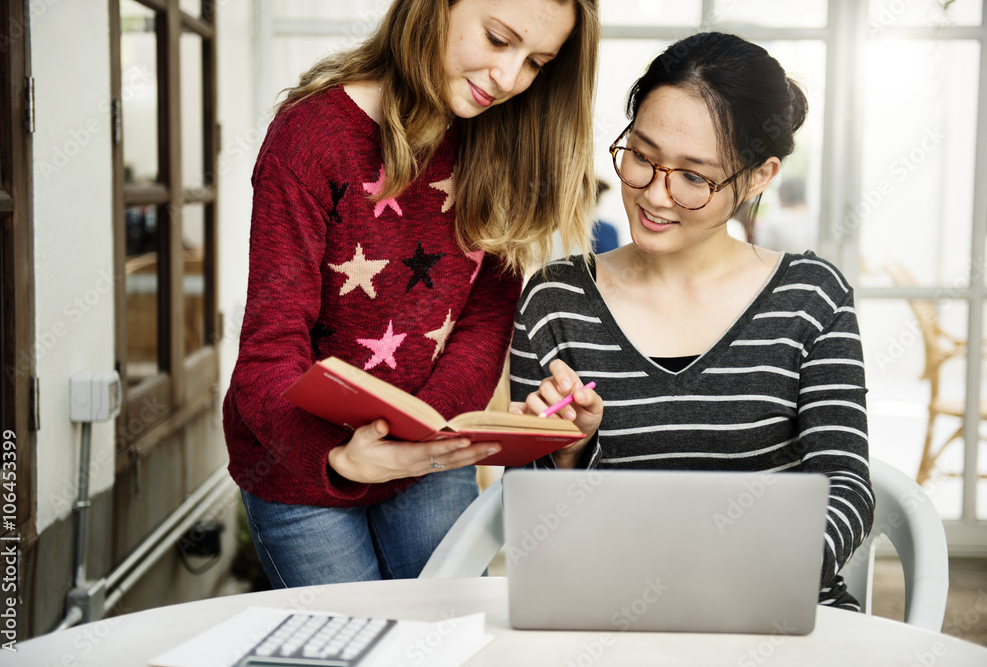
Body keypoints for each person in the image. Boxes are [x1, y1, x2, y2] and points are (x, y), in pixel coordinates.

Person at [224, 0, 600, 588]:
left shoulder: (499, 140)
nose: (509, 79)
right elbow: (270, 351)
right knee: (352, 643)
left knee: (443, 637)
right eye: (499, 39)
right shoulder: (311, 135)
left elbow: (484, 320)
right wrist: (340, 458)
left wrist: (426, 437)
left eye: (537, 63)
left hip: (431, 453)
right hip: (301, 458)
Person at [508, 32, 874, 610]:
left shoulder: (811, 297)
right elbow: (533, 517)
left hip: (778, 609)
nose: (656, 195)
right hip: (611, 614)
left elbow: (846, 487)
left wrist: (750, 574)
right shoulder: (557, 300)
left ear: (758, 177)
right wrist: (571, 451)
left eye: (695, 178)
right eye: (642, 157)